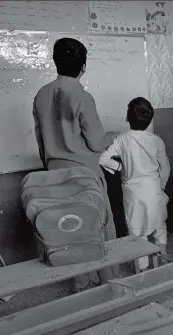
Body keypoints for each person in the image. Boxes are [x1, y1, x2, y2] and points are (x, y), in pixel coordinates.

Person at [33, 37, 119, 292]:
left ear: (55, 62)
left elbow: (40, 142)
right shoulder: (82, 96)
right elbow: (95, 143)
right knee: (98, 228)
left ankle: (80, 285)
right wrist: (113, 137)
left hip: (55, 175)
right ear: (83, 66)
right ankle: (108, 284)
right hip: (84, 174)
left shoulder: (41, 95)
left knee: (68, 230)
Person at [98, 97, 171, 271]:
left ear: (127, 118)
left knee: (137, 231)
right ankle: (164, 257)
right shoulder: (156, 140)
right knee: (159, 224)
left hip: (133, 192)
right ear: (150, 119)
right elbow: (165, 167)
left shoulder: (122, 139)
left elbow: (103, 159)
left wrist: (119, 166)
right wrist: (161, 186)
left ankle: (144, 269)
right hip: (153, 188)